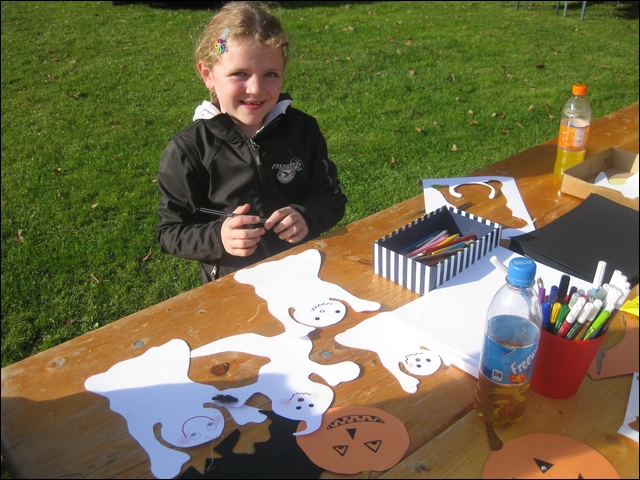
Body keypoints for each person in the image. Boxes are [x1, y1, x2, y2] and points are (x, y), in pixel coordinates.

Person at [155, 1, 347, 283]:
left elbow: (331, 196)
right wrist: (219, 237)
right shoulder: (188, 150)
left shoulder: (302, 129)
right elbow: (171, 231)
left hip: (305, 270)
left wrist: (307, 216)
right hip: (235, 285)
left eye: (270, 74)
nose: (255, 89)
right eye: (240, 74)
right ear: (208, 75)